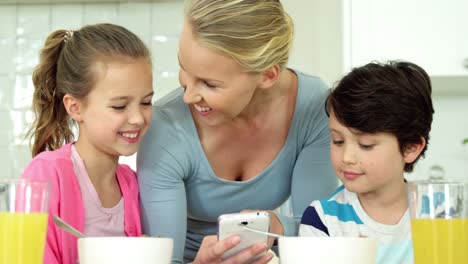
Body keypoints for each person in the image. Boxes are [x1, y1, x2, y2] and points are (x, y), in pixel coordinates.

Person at [137, 0, 337, 263]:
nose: (189, 96)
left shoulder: (312, 108)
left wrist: (277, 225)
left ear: (267, 75)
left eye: (209, 83)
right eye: (183, 68)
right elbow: (163, 258)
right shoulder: (166, 125)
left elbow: (318, 233)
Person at [22, 23, 154, 264]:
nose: (137, 118)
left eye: (146, 102)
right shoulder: (46, 174)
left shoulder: (132, 183)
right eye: (119, 106)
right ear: (76, 107)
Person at [299, 61, 435, 264]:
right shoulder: (322, 220)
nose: (347, 157)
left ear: (410, 148)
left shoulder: (439, 214)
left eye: (366, 145)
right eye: (338, 141)